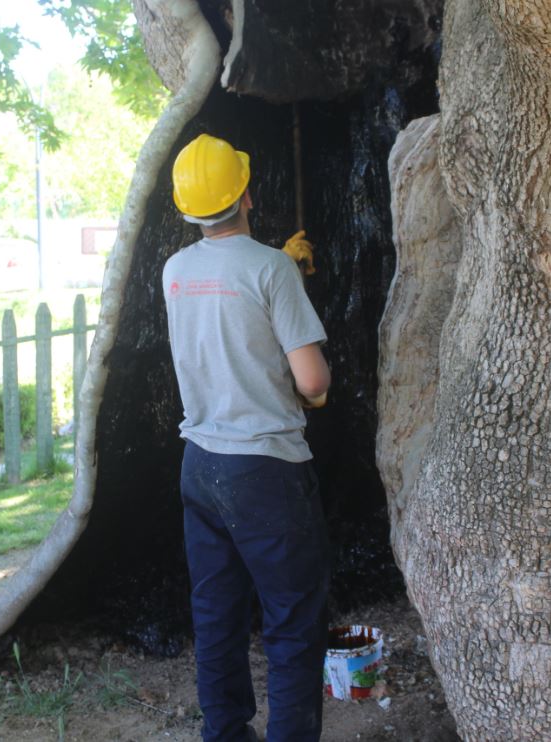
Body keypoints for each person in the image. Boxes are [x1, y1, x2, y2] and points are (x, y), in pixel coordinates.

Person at [163, 133, 331, 742]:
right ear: (248, 196)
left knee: (217, 618)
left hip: (201, 466)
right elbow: (310, 380)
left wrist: (280, 272)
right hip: (265, 472)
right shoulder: (271, 269)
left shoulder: (174, 270)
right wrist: (286, 277)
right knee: (291, 623)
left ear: (187, 210)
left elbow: (223, 316)